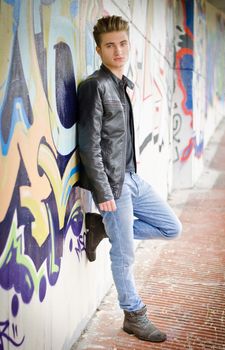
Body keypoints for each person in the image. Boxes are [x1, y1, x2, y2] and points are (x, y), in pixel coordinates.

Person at [77, 15, 182, 343]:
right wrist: (103, 191)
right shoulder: (95, 86)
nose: (118, 49)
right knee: (124, 255)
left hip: (132, 178)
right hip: (113, 186)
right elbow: (89, 145)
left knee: (171, 227)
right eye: (110, 45)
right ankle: (133, 314)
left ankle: (103, 228)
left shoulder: (122, 84)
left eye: (122, 43)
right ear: (99, 49)